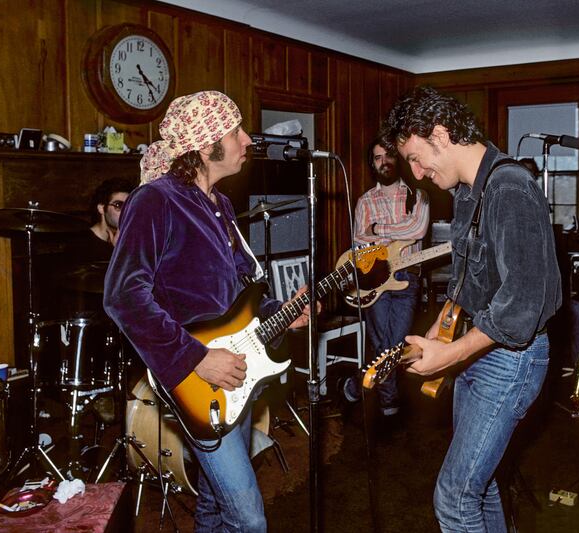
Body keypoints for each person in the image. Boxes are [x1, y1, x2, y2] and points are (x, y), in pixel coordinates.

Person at [103, 90, 314, 532]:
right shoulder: (155, 200)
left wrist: (282, 311)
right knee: (249, 519)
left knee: (215, 508)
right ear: (205, 145)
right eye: (236, 132)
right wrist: (198, 358)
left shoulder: (219, 205)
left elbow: (242, 288)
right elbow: (124, 296)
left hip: (238, 371)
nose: (246, 141)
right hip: (197, 376)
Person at [380, 86, 562, 532]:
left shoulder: (510, 188)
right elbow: (468, 284)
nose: (418, 174)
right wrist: (443, 338)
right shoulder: (467, 189)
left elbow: (520, 308)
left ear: (440, 134)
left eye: (418, 158)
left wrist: (454, 354)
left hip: (509, 361)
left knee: (455, 498)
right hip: (479, 350)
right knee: (484, 488)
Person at [341, 137, 429, 417]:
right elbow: (358, 238)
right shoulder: (365, 200)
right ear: (372, 164)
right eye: (377, 157)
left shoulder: (419, 194)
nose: (384, 161)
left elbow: (417, 229)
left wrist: (377, 228)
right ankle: (389, 403)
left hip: (408, 275)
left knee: (395, 343)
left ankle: (358, 384)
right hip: (376, 277)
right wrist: (394, 230)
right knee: (382, 343)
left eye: (389, 155)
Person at [61, 177, 136, 317]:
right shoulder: (79, 245)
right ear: (102, 208)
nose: (126, 212)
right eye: (119, 205)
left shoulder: (129, 243)